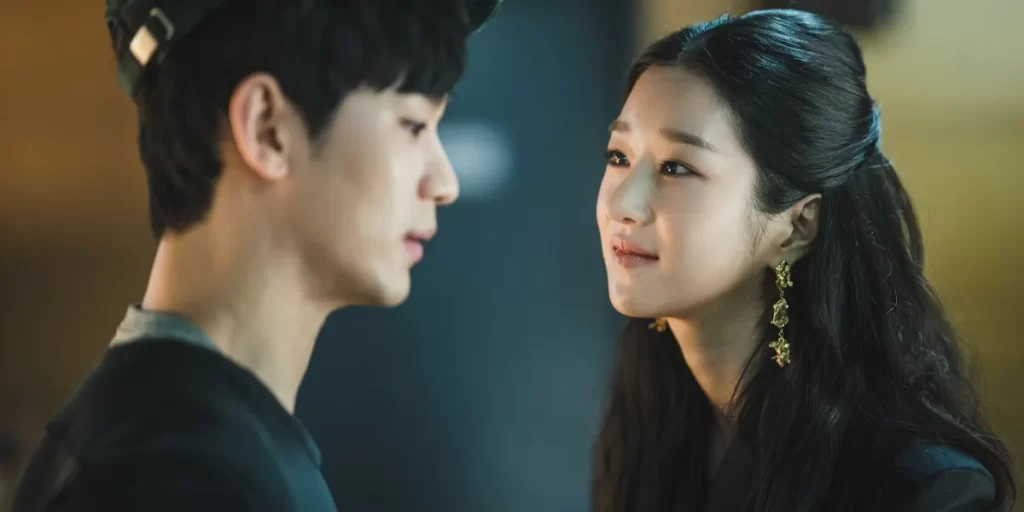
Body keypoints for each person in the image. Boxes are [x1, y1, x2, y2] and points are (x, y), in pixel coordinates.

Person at [12, 0, 501, 510]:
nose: (444, 183)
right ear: (267, 128)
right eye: (414, 125)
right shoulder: (180, 478)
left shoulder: (164, 444)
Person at [591, 9, 1015, 512]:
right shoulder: (656, 422)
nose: (623, 204)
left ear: (797, 226)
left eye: (676, 167)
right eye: (619, 157)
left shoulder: (921, 489)